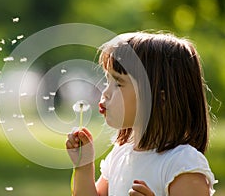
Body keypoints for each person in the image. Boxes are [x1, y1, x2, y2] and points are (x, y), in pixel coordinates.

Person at [66, 32, 217, 196]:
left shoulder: (182, 164)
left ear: (160, 98)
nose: (105, 93)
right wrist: (84, 165)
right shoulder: (120, 155)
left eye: (118, 83)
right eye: (107, 81)